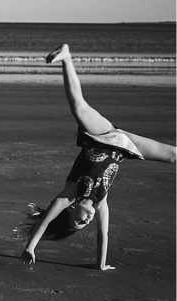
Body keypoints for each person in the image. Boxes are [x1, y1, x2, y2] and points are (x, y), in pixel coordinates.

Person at [20, 44, 176, 270]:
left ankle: (66, 57)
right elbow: (103, 233)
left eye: (79, 221)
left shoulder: (70, 195)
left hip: (100, 136)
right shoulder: (101, 202)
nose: (86, 221)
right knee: (173, 156)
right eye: (84, 225)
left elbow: (45, 221)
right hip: (122, 146)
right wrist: (100, 264)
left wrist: (30, 247)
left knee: (79, 108)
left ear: (71, 210)